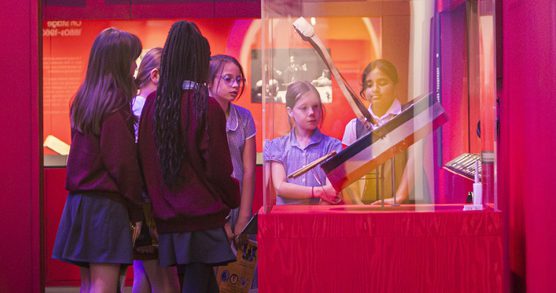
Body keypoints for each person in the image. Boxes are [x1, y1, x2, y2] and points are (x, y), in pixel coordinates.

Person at [137, 21, 240, 293]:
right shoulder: (205, 107)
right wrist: (232, 198)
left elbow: (146, 163)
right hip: (203, 217)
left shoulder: (152, 105)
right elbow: (218, 168)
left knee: (199, 285)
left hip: (168, 217)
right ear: (199, 61)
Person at [51, 27, 145, 292]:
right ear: (119, 61)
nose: (135, 66)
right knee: (104, 285)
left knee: (88, 284)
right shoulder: (115, 105)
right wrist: (136, 208)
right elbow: (122, 164)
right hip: (105, 208)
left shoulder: (85, 100)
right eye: (132, 58)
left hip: (80, 204)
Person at [131, 47, 180, 293]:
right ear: (156, 75)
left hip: (139, 203)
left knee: (142, 275)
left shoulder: (133, 106)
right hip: (150, 204)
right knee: (164, 282)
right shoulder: (145, 110)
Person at [342, 59, 412, 205]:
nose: (375, 89)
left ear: (395, 85)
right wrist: (358, 205)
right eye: (369, 85)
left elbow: (416, 160)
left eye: (382, 83)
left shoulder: (410, 118)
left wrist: (399, 198)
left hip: (404, 206)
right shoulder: (354, 127)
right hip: (365, 208)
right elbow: (348, 173)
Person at [264, 80, 342, 205]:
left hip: (321, 218)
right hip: (286, 219)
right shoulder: (277, 145)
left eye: (316, 106)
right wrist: (318, 191)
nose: (311, 112)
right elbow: (279, 187)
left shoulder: (332, 146)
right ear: (290, 111)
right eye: (304, 108)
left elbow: (331, 192)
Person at [207, 54, 256, 243]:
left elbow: (249, 170)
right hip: (209, 206)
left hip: (237, 199)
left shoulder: (244, 117)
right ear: (209, 82)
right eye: (228, 79)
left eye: (238, 80)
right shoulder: (198, 114)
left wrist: (244, 215)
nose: (235, 85)